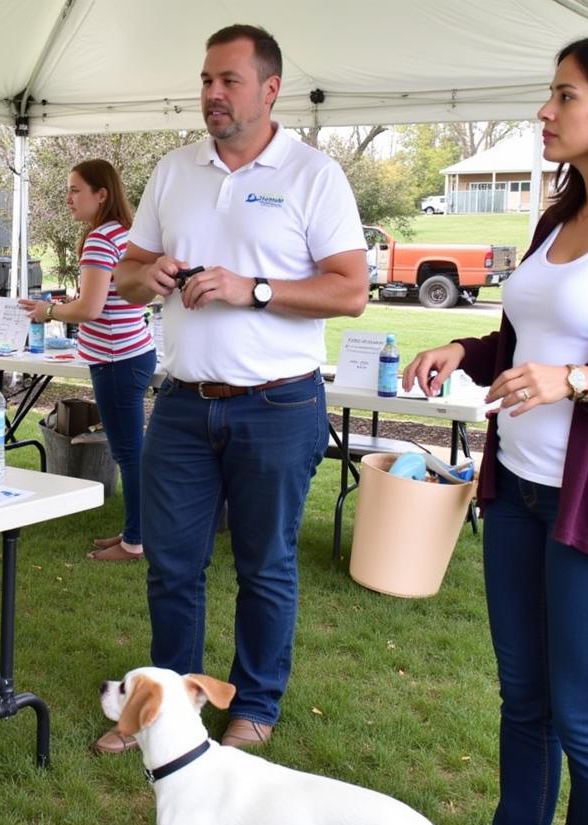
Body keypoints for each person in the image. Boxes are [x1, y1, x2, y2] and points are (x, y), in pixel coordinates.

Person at [403, 34, 588, 825]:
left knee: (586, 713)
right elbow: (522, 339)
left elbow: (581, 367)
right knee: (523, 698)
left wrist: (580, 383)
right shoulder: (554, 217)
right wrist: (467, 352)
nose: (545, 110)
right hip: (519, 494)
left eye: (563, 96)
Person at [112, 25, 366, 753]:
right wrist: (149, 276)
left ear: (270, 89)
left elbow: (350, 290)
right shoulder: (175, 169)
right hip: (185, 403)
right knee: (171, 565)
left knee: (266, 565)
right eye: (205, 81)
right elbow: (128, 275)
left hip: (278, 404)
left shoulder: (313, 175)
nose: (212, 95)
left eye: (228, 81)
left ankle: (253, 706)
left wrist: (252, 289)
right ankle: (167, 706)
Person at [19, 159, 156, 568]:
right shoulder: (128, 235)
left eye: (76, 189)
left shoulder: (100, 239)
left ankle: (136, 541)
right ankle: (137, 531)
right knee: (131, 451)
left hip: (116, 359)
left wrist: (49, 312)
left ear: (102, 194)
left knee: (129, 454)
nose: (68, 198)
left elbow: (92, 308)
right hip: (135, 353)